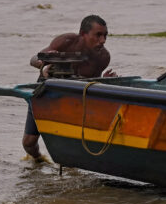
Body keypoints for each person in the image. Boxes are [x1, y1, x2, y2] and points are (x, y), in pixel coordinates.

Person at [22, 14, 117, 161]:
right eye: (98, 35)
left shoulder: (103, 57)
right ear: (83, 34)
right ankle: (38, 160)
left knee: (72, 140)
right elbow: (33, 59)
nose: (102, 41)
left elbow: (91, 86)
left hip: (73, 100)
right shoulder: (66, 41)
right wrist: (45, 63)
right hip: (45, 94)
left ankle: (72, 167)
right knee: (29, 142)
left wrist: (104, 82)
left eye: (105, 36)